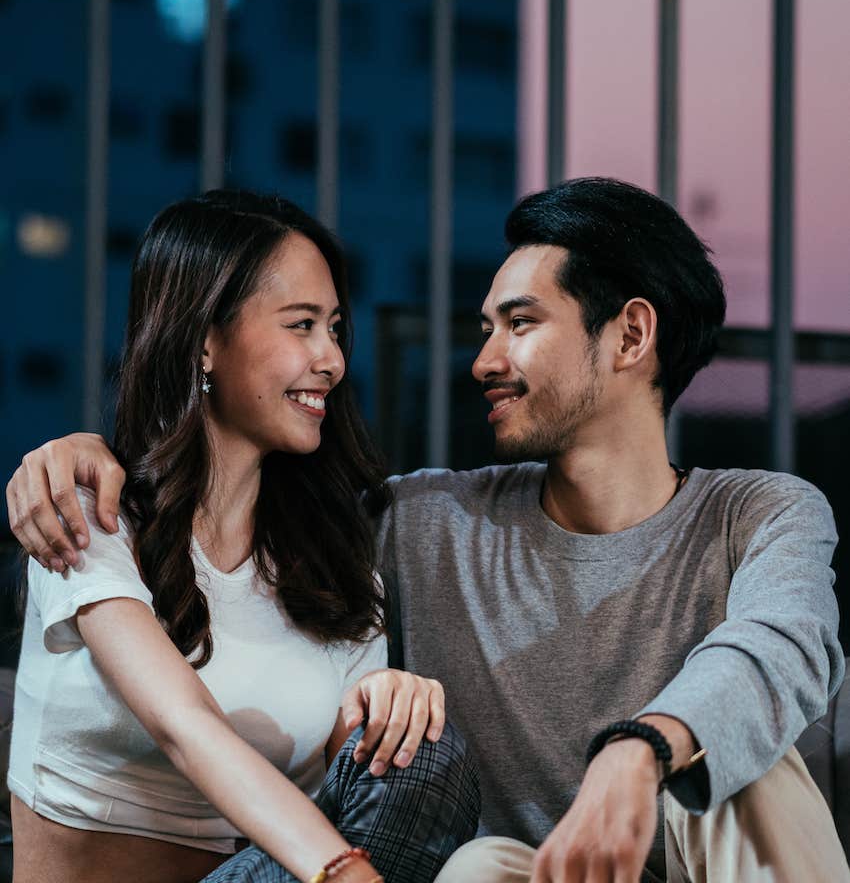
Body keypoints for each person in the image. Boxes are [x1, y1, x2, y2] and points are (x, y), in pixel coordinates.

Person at [7, 178, 847, 883]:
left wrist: (641, 752)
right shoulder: (416, 525)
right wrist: (77, 453)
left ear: (630, 334)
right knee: (478, 864)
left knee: (753, 772)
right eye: (486, 329)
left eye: (519, 325)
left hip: (691, 850)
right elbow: (196, 691)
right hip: (503, 871)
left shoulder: (761, 512)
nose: (483, 360)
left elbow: (783, 647)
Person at [4, 190, 479, 883]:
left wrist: (385, 711)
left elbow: (358, 796)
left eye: (336, 328)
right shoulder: (91, 511)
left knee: (425, 755)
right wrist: (341, 871)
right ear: (205, 339)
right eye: (302, 325)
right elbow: (184, 725)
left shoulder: (333, 571)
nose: (333, 360)